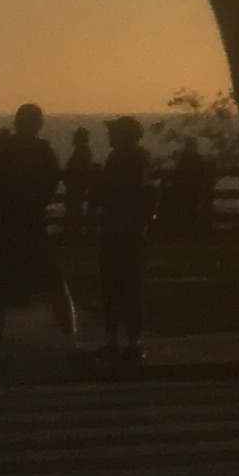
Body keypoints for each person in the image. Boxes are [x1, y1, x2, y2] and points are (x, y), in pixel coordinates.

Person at [0, 103, 79, 351]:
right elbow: (51, 183)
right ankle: (70, 342)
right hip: (28, 225)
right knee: (54, 284)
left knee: (0, 289)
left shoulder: (3, 150)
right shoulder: (39, 152)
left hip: (12, 226)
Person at [93, 116, 151, 362]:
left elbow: (106, 195)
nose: (110, 136)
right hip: (132, 230)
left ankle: (117, 339)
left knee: (115, 286)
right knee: (130, 286)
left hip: (117, 229)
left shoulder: (119, 160)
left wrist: (98, 181)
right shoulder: (140, 159)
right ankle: (130, 340)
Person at [60, 126, 99, 239]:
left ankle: (73, 230)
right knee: (74, 207)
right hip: (78, 183)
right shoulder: (84, 150)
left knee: (74, 207)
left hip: (76, 184)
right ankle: (75, 229)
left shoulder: (82, 151)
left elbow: (78, 168)